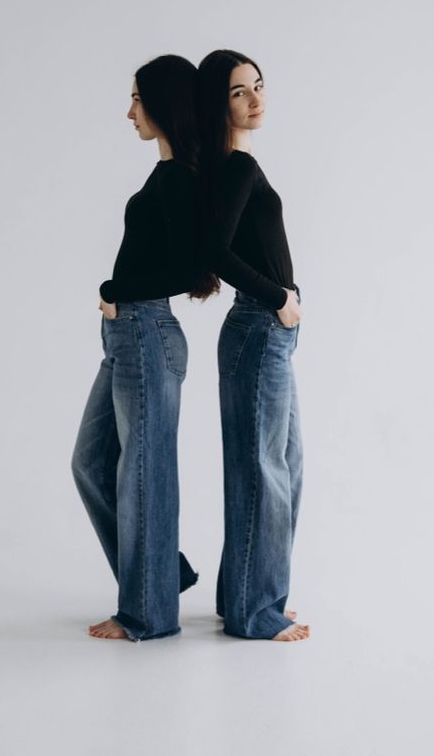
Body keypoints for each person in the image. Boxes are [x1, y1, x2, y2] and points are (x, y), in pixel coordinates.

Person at [71, 54, 216, 641]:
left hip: (145, 333)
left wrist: (115, 290)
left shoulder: (178, 177)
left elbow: (188, 269)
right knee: (91, 463)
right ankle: (162, 573)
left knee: (143, 473)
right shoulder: (166, 176)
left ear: (163, 104)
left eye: (137, 99)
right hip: (128, 337)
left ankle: (148, 612)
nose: (129, 111)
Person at [197, 49, 309, 642]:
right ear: (220, 103)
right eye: (240, 91)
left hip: (269, 334)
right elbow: (214, 254)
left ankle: (246, 595)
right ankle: (253, 611)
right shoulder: (236, 168)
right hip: (259, 330)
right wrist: (278, 297)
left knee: (282, 469)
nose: (255, 99)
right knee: (264, 472)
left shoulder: (235, 165)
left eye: (259, 86)